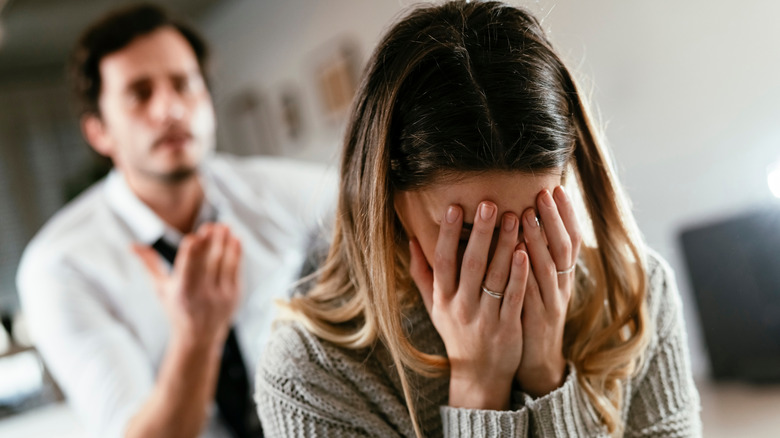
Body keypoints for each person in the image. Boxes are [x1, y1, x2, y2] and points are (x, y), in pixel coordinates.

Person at [255, 1, 702, 437]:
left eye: (535, 223)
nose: (511, 263)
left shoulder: (636, 295)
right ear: (387, 197)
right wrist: (478, 385)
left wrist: (546, 375)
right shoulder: (309, 374)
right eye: (470, 234)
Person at [16, 4, 334, 438]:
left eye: (185, 85)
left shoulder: (280, 194)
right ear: (99, 132)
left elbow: (379, 210)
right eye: (140, 93)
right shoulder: (59, 266)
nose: (170, 109)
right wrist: (196, 336)